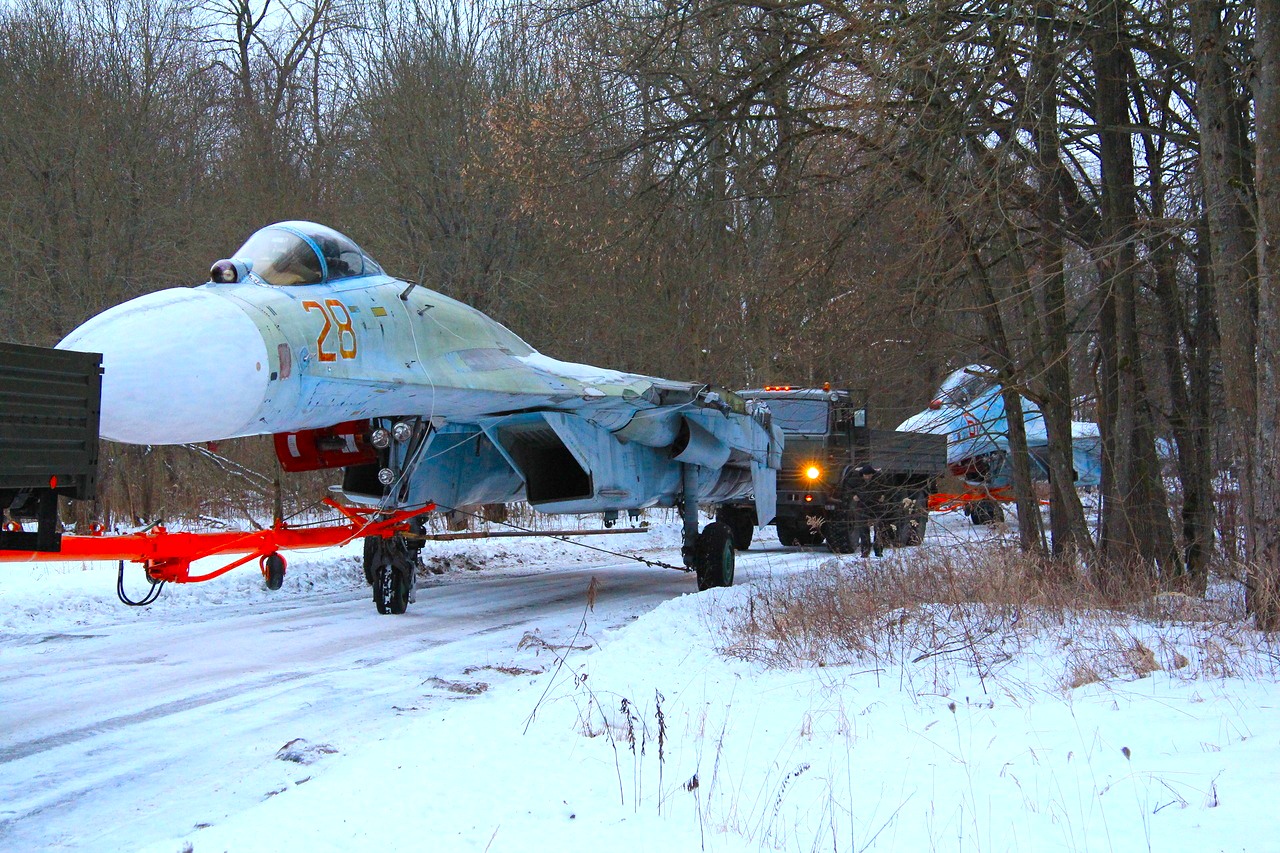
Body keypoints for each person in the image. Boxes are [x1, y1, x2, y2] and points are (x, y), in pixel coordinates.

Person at [845, 463, 890, 557]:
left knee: (879, 529)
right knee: (863, 530)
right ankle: (865, 551)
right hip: (862, 506)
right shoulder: (855, 479)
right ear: (862, 474)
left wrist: (883, 495)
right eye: (866, 475)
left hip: (877, 506)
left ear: (872, 474)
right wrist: (853, 496)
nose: (867, 477)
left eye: (869, 475)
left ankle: (878, 551)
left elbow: (887, 488)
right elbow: (847, 488)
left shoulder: (879, 478)